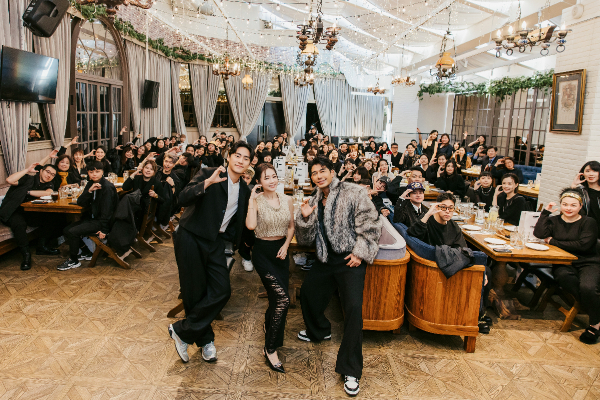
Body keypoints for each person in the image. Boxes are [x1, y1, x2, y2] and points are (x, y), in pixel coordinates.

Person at [295, 156, 382, 397]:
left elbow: (372, 225)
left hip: (350, 259)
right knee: (308, 294)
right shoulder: (314, 199)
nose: (319, 176)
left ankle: (351, 369)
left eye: (323, 171)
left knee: (353, 310)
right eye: (314, 173)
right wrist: (305, 218)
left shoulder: (354, 192)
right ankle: (320, 330)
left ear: (333, 172)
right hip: (326, 259)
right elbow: (306, 240)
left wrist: (360, 252)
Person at [168, 141, 253, 364]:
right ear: (229, 156)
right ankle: (206, 341)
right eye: (237, 155)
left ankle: (182, 331)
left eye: (245, 158)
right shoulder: (209, 173)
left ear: (249, 164)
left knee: (221, 290)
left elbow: (239, 222)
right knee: (194, 292)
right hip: (191, 236)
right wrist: (206, 183)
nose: (240, 160)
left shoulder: (245, 190)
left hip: (215, 241)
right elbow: (182, 198)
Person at [533, 188, 600, 344]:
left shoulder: (588, 222)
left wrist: (554, 242)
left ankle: (595, 324)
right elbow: (539, 234)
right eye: (565, 204)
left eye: (573, 205)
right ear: (561, 204)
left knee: (588, 287)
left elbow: (583, 245)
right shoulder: (555, 220)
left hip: (588, 262)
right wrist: (545, 213)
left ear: (580, 206)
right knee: (564, 278)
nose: (568, 208)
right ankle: (595, 310)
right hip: (564, 262)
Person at [245, 164, 295, 372]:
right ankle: (270, 348)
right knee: (283, 299)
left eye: (274, 176)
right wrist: (251, 200)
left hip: (281, 252)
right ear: (258, 182)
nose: (272, 181)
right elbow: (250, 226)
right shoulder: (256, 201)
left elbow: (291, 227)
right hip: (263, 253)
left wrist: (286, 245)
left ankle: (269, 326)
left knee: (277, 298)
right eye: (266, 178)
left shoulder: (287, 199)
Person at [57, 161, 118, 271]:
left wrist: (104, 229)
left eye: (97, 171)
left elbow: (108, 211)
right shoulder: (90, 184)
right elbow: (80, 202)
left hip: (102, 222)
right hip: (92, 219)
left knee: (73, 232)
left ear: (102, 172)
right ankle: (86, 252)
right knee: (66, 230)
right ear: (88, 173)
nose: (94, 174)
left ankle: (73, 260)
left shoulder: (107, 187)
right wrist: (89, 191)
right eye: (91, 172)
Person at [0, 162, 59, 270]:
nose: (49, 175)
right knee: (19, 224)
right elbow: (9, 180)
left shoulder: (49, 184)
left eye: (52, 174)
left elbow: (48, 193)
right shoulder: (27, 178)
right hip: (13, 211)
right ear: (41, 171)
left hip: (28, 212)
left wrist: (28, 192)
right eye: (47, 172)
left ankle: (41, 246)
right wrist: (27, 170)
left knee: (52, 217)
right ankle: (26, 255)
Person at [572, 161, 600, 227]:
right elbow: (570, 204)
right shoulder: (580, 191)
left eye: (595, 171)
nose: (591, 174)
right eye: (587, 171)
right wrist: (574, 185)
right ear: (583, 174)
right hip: (587, 229)